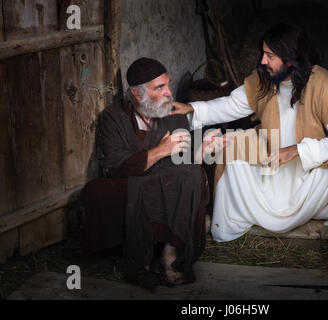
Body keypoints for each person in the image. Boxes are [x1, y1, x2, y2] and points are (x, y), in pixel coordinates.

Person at [172, 23, 328, 254]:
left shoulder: (321, 82)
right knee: (233, 144)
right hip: (270, 167)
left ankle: (316, 210)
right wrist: (191, 109)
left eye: (270, 55)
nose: (262, 61)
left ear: (290, 58)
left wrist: (297, 150)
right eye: (263, 53)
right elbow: (231, 105)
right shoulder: (264, 79)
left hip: (309, 177)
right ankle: (238, 215)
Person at [82, 57, 225, 292]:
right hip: (131, 183)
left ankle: (171, 252)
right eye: (160, 87)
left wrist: (202, 151)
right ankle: (142, 258)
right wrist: (160, 151)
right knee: (113, 189)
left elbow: (185, 163)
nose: (169, 92)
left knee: (192, 175)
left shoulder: (173, 114)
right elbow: (115, 165)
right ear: (138, 94)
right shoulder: (114, 118)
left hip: (166, 181)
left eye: (168, 84)